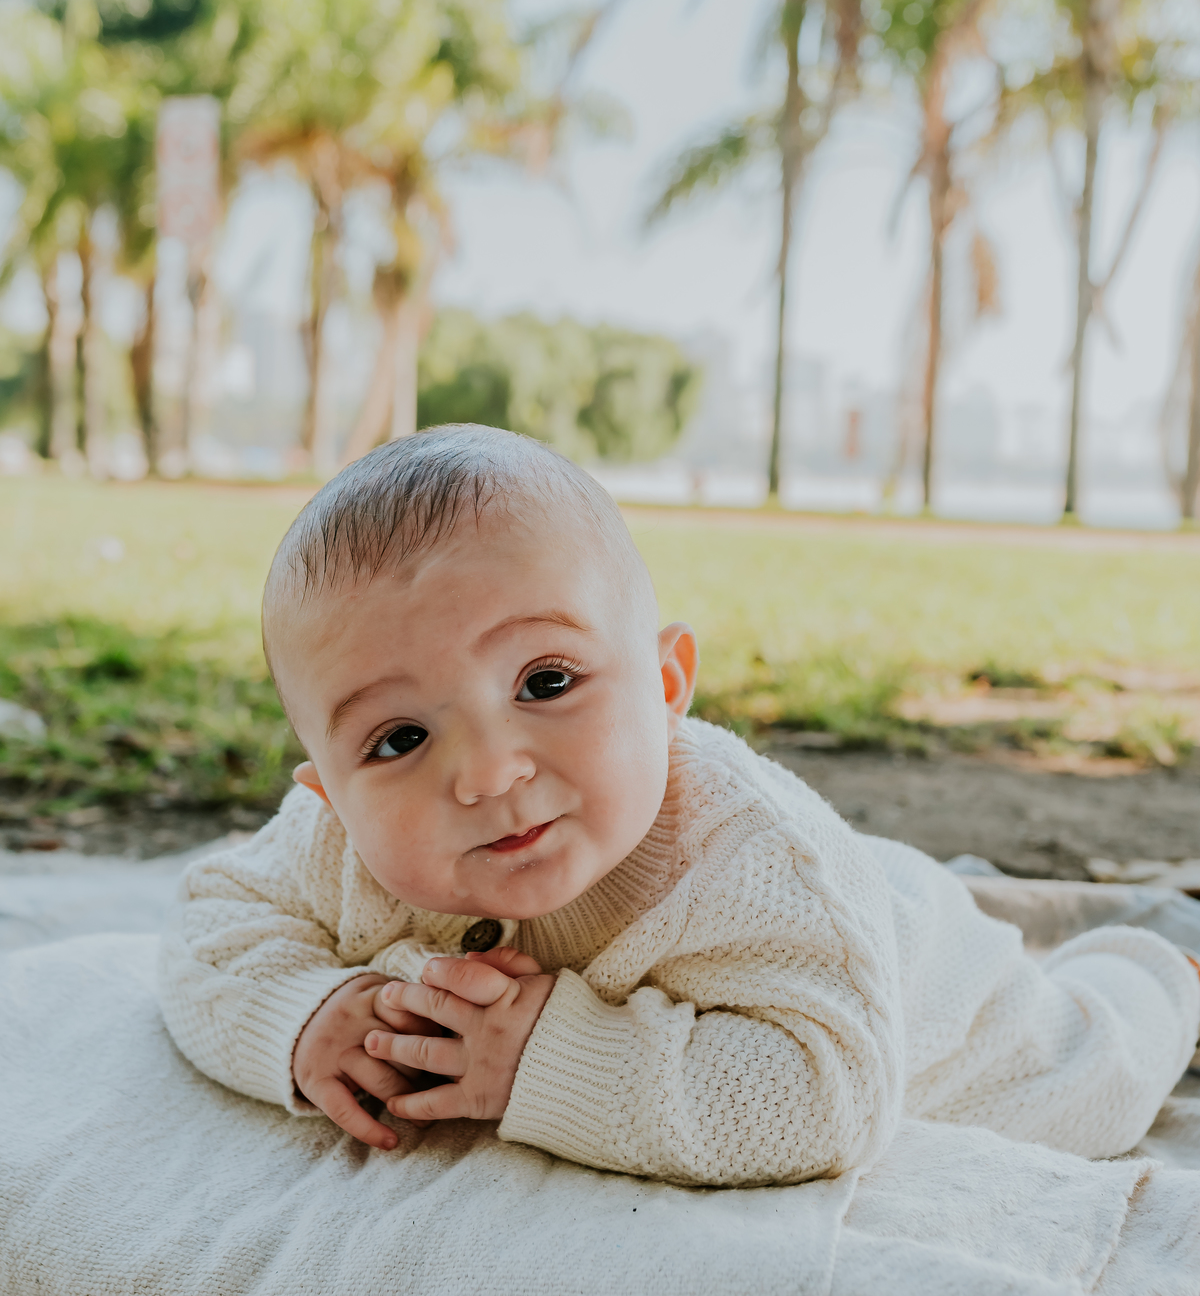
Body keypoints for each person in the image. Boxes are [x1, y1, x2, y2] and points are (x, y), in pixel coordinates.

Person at [158, 427, 1200, 1186]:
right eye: (398, 740)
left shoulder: (745, 856)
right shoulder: (333, 842)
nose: (487, 773)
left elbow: (827, 1096)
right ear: (328, 796)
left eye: (546, 682)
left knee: (1093, 1075)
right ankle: (963, 894)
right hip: (837, 906)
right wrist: (298, 1018)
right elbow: (208, 930)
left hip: (932, 997)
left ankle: (1163, 968)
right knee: (884, 891)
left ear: (666, 685)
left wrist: (541, 1061)